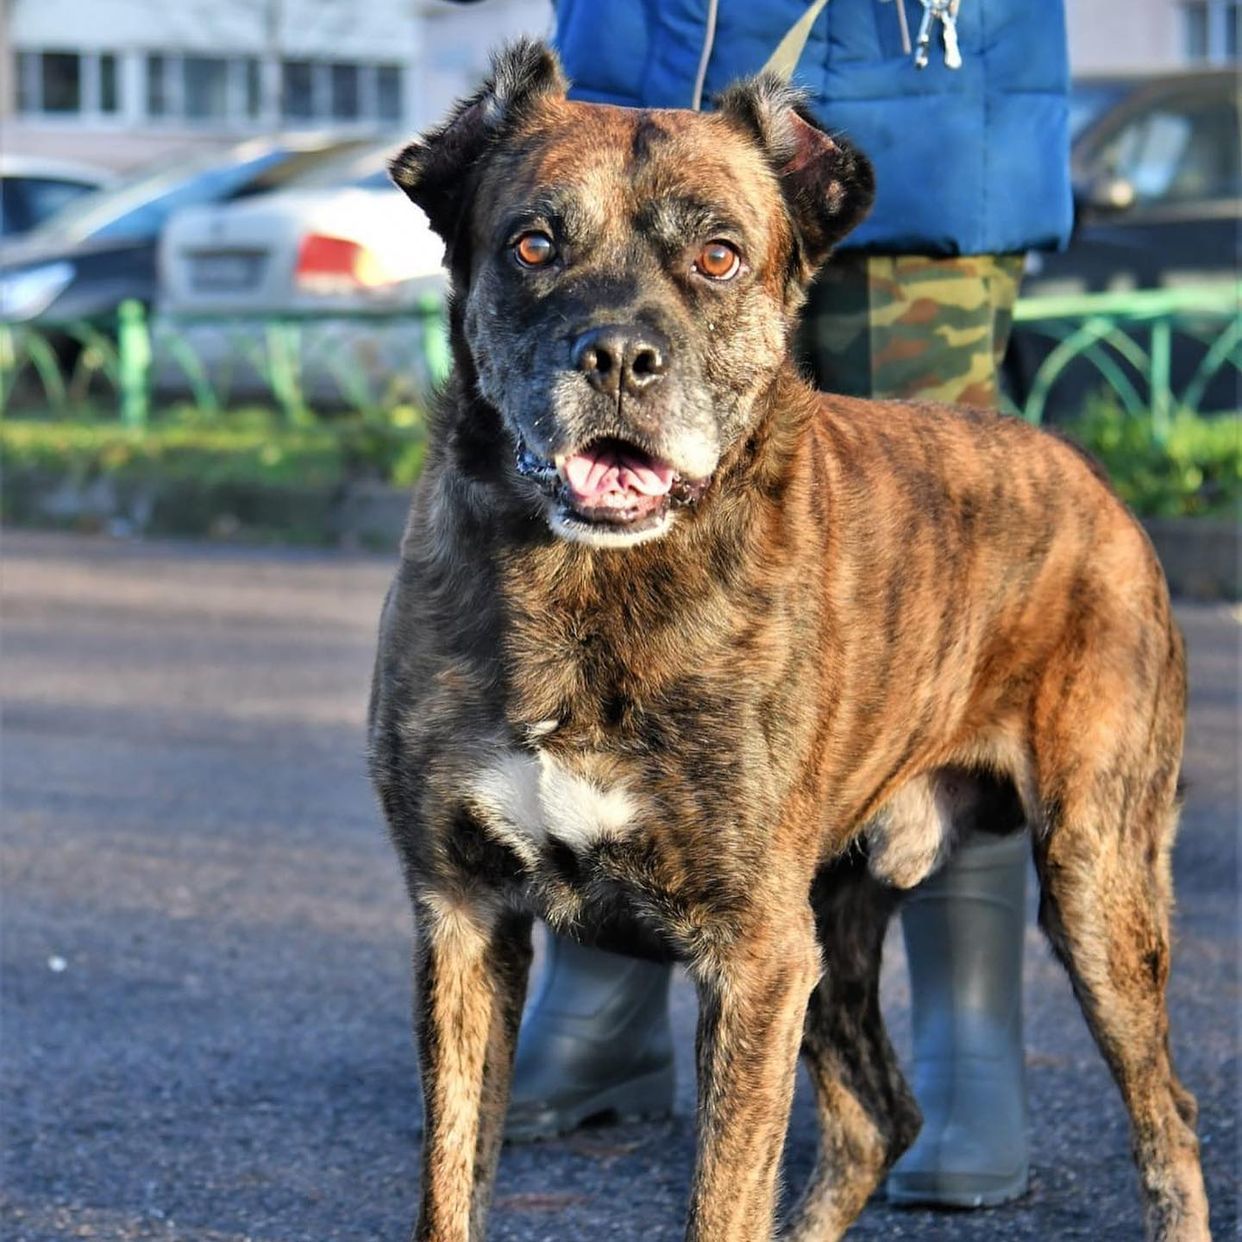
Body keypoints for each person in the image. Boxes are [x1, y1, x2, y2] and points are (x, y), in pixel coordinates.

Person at [443, 0, 1073, 1210]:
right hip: (637, 70)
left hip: (923, 87)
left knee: (942, 594)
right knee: (581, 542)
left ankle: (964, 1034)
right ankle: (605, 987)